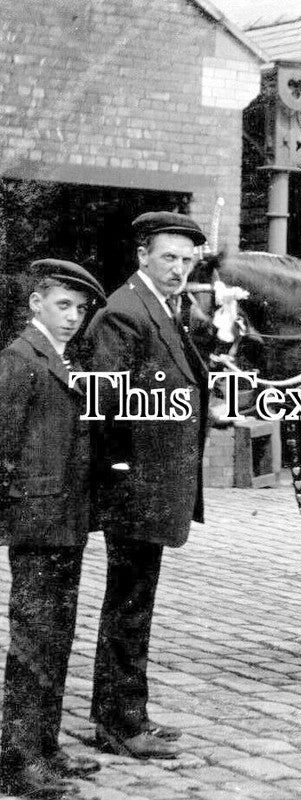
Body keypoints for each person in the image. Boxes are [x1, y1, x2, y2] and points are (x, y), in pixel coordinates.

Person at [86, 212, 209, 760]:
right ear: (143, 256)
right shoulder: (125, 312)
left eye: (187, 260)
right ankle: (119, 724)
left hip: (151, 486)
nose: (179, 268)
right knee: (129, 605)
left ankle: (127, 713)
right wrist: (124, 483)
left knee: (135, 602)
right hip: (135, 487)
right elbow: (107, 408)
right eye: (169, 257)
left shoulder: (160, 307)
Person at [0, 260, 106, 797]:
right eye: (63, 305)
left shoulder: (62, 360)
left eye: (80, 309)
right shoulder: (20, 360)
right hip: (36, 521)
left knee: (56, 638)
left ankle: (45, 746)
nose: (72, 317)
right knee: (32, 641)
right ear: (35, 303)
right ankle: (18, 763)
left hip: (64, 520)